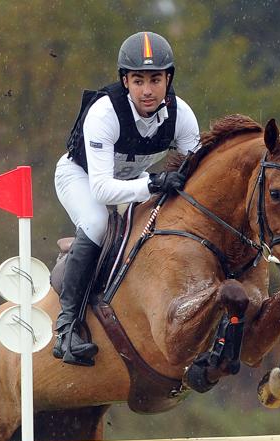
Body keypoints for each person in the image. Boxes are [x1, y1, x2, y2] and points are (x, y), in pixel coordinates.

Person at [53, 30, 201, 366]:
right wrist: (153, 184)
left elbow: (198, 171)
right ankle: (67, 329)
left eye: (155, 79)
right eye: (138, 81)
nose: (147, 90)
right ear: (125, 81)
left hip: (135, 183)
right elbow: (102, 190)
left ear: (168, 79)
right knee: (97, 223)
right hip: (82, 178)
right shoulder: (105, 114)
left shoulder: (182, 116)